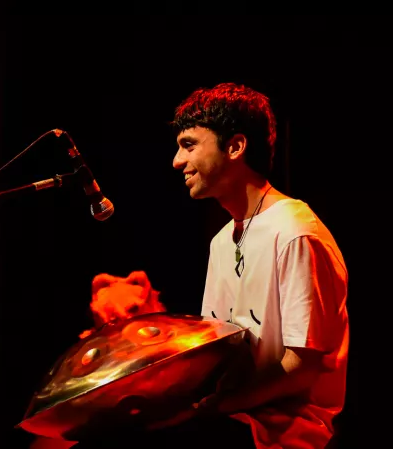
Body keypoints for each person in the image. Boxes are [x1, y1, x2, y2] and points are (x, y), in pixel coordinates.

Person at [82, 83, 350, 448]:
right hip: (235, 415)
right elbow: (220, 352)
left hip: (283, 429)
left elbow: (302, 368)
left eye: (189, 145)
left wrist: (216, 407)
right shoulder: (222, 241)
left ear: (235, 147)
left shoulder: (295, 232)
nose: (176, 161)